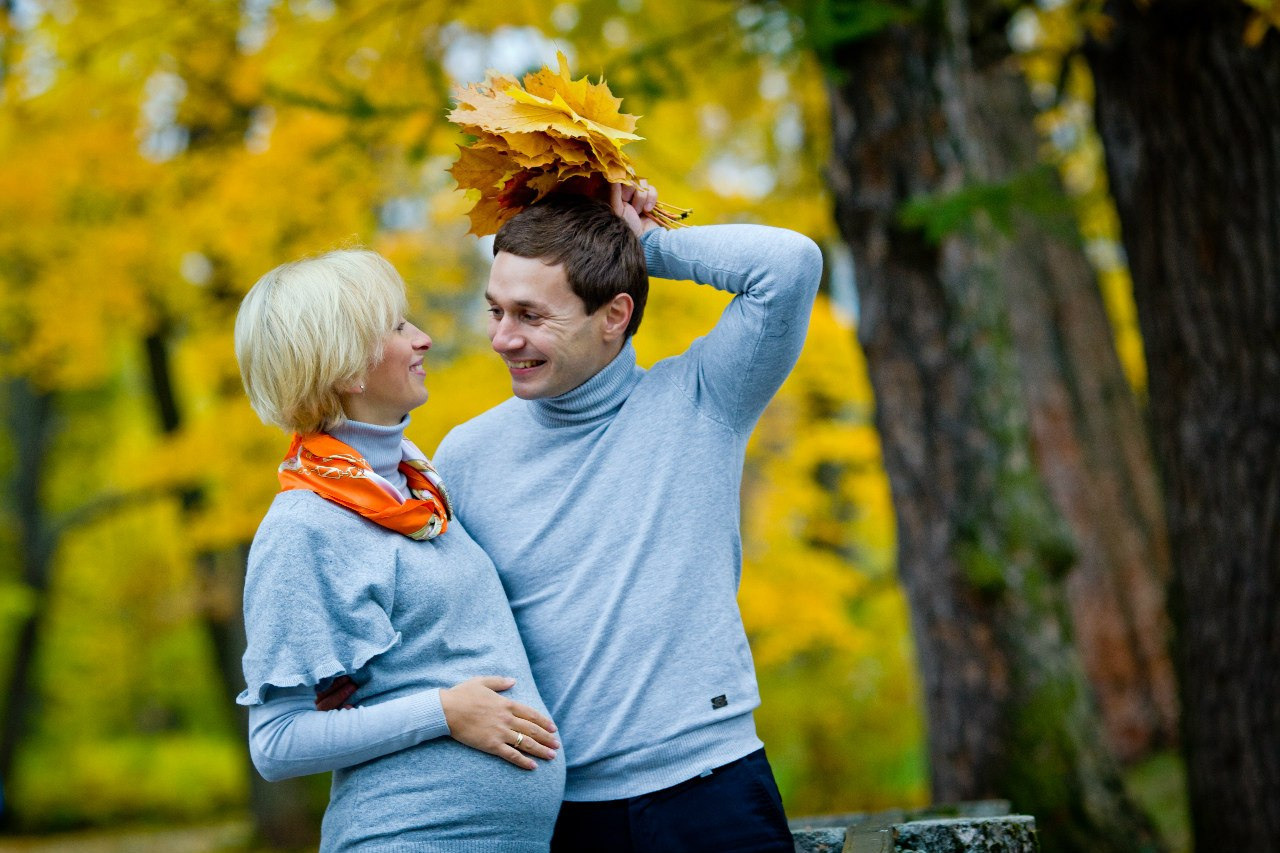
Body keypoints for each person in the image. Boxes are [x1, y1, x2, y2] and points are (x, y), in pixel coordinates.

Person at [432, 185, 823, 852]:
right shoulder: (465, 457)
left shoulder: (702, 399)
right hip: (560, 814)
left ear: (615, 313)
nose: (502, 338)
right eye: (495, 309)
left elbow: (787, 264)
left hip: (715, 793)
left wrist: (643, 246)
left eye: (530, 314)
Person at [233, 249, 564, 852]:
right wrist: (444, 712)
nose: (424, 339)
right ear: (345, 366)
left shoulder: (419, 489)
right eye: (397, 327)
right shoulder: (305, 528)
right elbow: (277, 743)